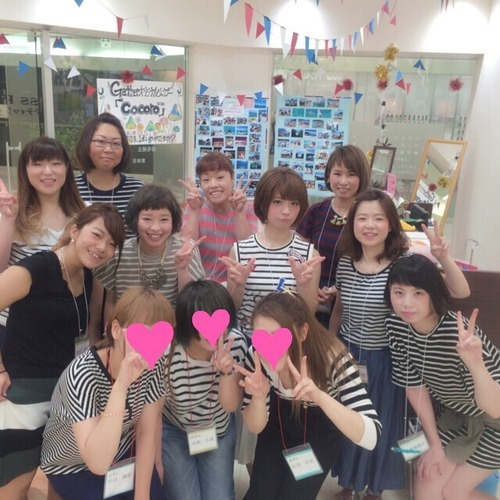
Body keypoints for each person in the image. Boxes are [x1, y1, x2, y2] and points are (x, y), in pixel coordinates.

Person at [329, 188, 471, 500]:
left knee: (384, 426)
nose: (370, 225)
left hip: (389, 359)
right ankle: (348, 483)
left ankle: (374, 488)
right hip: (348, 357)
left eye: (378, 218)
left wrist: (443, 256)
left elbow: (460, 292)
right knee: (349, 422)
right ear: (352, 224)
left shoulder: (405, 263)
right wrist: (332, 349)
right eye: (362, 218)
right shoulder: (346, 263)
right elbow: (339, 309)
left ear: (391, 224)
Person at [0, 203, 125, 498]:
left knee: (60, 476)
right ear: (75, 231)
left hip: (65, 395)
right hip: (25, 394)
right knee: (16, 481)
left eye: (111, 244)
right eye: (97, 235)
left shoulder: (88, 277)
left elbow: (89, 335)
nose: (102, 248)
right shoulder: (40, 267)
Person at [236, 291, 381, 500]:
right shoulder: (257, 358)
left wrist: (319, 396)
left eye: (279, 335)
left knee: (295, 495)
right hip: (278, 425)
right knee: (261, 492)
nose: (269, 347)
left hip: (320, 432)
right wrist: (258, 397)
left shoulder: (333, 358)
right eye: (261, 337)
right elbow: (255, 427)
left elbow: (372, 435)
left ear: (303, 332)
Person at [385, 254, 500, 500]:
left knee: (453, 492)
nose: (406, 303)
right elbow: (414, 386)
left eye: (418, 293)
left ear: (433, 295)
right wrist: (435, 445)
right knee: (426, 485)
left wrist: (476, 365)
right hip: (457, 417)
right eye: (399, 292)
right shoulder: (396, 325)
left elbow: (495, 408)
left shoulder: (458, 333)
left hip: (495, 422)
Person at [41, 286, 172, 499]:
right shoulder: (82, 374)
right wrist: (120, 386)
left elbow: (146, 432)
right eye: (141, 332)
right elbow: (98, 462)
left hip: (123, 452)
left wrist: (142, 495)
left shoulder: (153, 364)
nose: (150, 344)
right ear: (116, 330)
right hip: (72, 463)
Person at [162, 279, 248, 500]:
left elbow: (230, 405)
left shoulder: (235, 344)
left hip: (217, 430)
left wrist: (226, 372)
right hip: (175, 430)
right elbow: (152, 408)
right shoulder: (167, 350)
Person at [0, 137, 85, 347]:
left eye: (55, 163)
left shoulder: (85, 213)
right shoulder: (10, 211)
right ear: (25, 169)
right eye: (38, 164)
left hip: (68, 324)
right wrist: (8, 220)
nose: (48, 171)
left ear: (67, 168)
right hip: (18, 328)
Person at [221, 166, 323, 338]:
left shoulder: (309, 255)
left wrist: (303, 285)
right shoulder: (240, 251)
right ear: (263, 203)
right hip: (248, 343)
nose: (286, 211)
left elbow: (309, 313)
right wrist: (239, 285)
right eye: (277, 202)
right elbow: (233, 308)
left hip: (288, 344)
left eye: (294, 203)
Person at [93, 184, 205, 338]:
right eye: (147, 219)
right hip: (128, 337)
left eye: (164, 219)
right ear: (135, 219)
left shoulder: (185, 249)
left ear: (173, 221)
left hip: (172, 337)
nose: (155, 228)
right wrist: (112, 338)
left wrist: (182, 269)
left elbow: (191, 302)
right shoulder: (118, 253)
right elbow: (111, 302)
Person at [296, 145, 370, 326]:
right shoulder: (316, 211)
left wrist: (338, 289)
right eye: (337, 173)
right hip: (310, 296)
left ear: (361, 178)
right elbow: (298, 254)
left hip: (351, 301)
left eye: (351, 174)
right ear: (328, 176)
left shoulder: (367, 217)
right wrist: (310, 287)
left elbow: (371, 260)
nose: (343, 181)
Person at [180, 152, 258, 283]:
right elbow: (185, 248)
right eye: (206, 180)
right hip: (200, 284)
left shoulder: (248, 208)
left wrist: (239, 213)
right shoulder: (195, 206)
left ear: (232, 178)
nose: (213, 185)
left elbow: (248, 251)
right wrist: (194, 211)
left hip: (236, 284)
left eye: (220, 177)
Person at [74, 112, 144, 235]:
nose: (108, 150)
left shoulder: (138, 190)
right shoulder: (71, 189)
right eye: (101, 141)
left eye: (116, 143)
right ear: (86, 143)